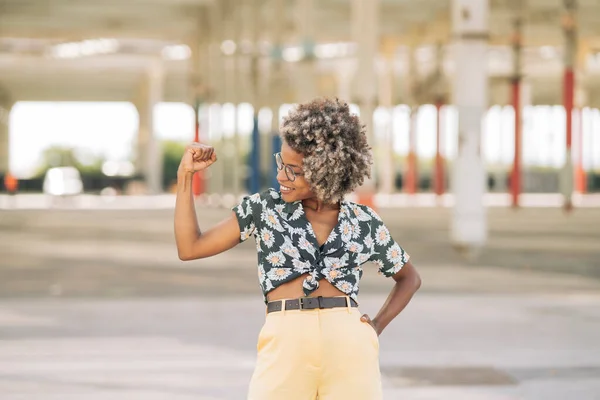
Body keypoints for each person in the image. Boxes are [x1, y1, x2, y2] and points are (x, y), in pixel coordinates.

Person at [174, 98, 421, 399]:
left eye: (294, 171)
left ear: (324, 171)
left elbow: (409, 278)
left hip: (349, 345)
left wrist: (376, 327)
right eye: (282, 164)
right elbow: (190, 247)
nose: (281, 177)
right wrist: (185, 176)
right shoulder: (264, 209)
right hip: (285, 340)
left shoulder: (363, 220)